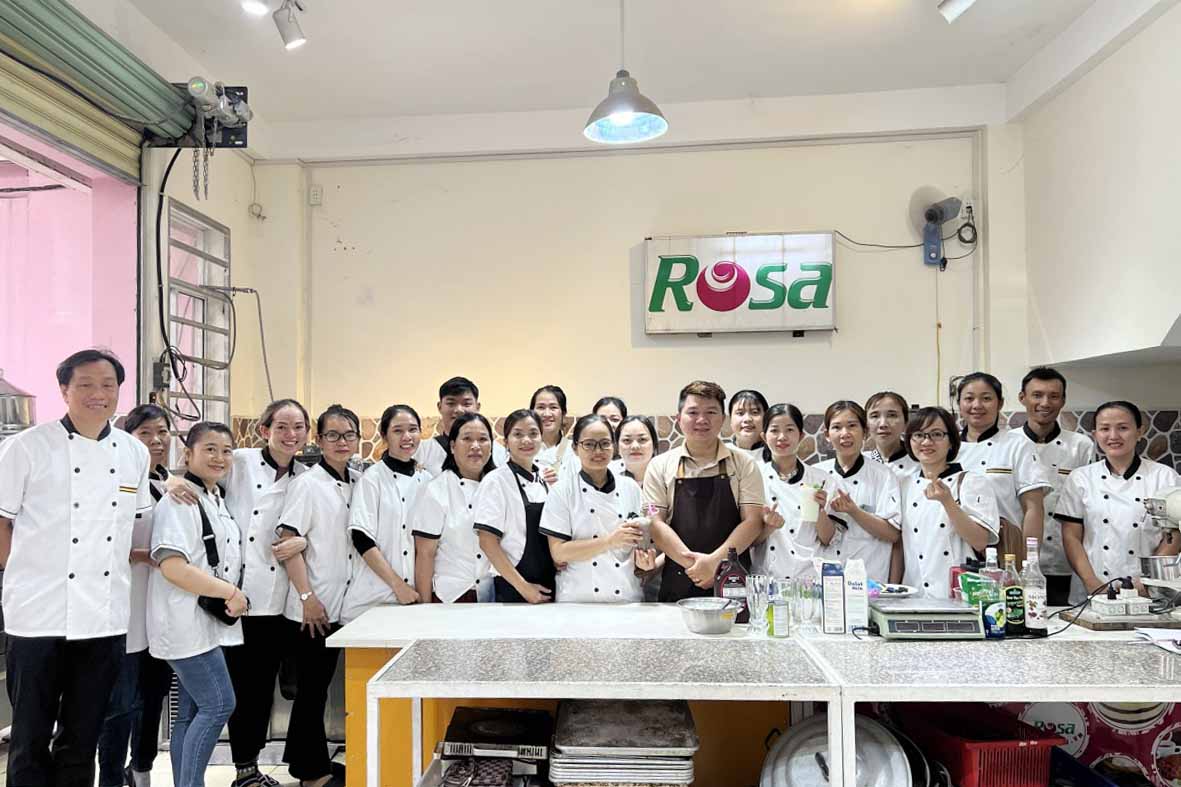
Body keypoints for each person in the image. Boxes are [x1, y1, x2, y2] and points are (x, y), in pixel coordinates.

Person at [0, 349, 151, 787]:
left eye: (108, 385)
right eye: (85, 384)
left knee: (83, 738)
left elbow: (131, 525)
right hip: (37, 616)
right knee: (30, 736)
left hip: (103, 617)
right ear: (64, 390)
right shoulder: (26, 447)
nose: (98, 394)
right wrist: (22, 573)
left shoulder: (133, 453)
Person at [147, 421, 247, 787]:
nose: (219, 457)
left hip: (201, 623)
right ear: (188, 454)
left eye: (226, 451)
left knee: (189, 714)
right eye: (210, 449)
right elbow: (173, 567)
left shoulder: (213, 496)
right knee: (219, 704)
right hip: (183, 623)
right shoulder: (180, 500)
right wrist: (230, 592)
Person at [219, 398, 311, 787]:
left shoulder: (307, 476)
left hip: (283, 598)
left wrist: (302, 540)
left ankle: (260, 766)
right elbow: (199, 480)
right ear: (264, 430)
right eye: (282, 427)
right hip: (240, 595)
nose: (291, 435)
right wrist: (175, 482)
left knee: (277, 687)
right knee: (247, 689)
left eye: (299, 427)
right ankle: (245, 769)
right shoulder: (239, 462)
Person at [276, 404, 362, 787]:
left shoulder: (358, 480)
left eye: (348, 435)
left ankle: (308, 762)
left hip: (344, 604)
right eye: (332, 435)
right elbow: (287, 542)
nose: (341, 442)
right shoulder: (308, 484)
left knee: (321, 688)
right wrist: (307, 597)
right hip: (314, 607)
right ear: (319, 440)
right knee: (312, 691)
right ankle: (311, 774)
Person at [98, 404, 176, 787]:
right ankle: (111, 777)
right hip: (124, 611)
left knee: (154, 696)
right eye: (145, 433)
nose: (156, 440)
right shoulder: (115, 482)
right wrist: (148, 556)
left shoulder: (172, 484)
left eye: (162, 432)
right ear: (128, 439)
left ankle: (141, 769)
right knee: (121, 704)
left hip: (162, 610)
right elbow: (100, 540)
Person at [643, 381, 765, 601]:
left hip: (732, 581)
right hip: (678, 580)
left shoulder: (744, 464)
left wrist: (715, 564)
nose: (702, 419)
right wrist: (696, 566)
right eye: (693, 412)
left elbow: (753, 522)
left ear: (723, 419)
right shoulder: (659, 466)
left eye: (711, 412)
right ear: (678, 418)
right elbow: (654, 521)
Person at [1056, 400, 1180, 605]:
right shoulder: (1080, 478)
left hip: (1149, 591)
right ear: (1095, 434)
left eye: (1123, 428)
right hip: (1091, 591)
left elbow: (1173, 537)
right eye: (1105, 429)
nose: (1113, 436)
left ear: (1139, 432)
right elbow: (1071, 537)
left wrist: (1148, 582)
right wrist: (1092, 583)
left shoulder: (1165, 477)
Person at [541, 414, 656, 602]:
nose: (598, 451)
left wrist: (645, 562)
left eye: (605, 443)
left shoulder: (631, 487)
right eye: (589, 444)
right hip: (577, 599)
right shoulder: (562, 491)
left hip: (627, 596)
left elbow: (645, 535)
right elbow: (559, 552)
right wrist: (610, 541)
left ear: (614, 446)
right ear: (575, 448)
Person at [341, 404, 433, 621]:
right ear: (384, 436)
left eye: (413, 429)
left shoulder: (427, 480)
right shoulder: (372, 479)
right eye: (398, 430)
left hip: (414, 597)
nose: (407, 437)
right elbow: (361, 538)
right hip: (373, 597)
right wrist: (397, 585)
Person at [1013, 367, 1095, 605]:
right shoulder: (1008, 443)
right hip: (1017, 561)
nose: (1045, 403)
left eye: (1053, 396)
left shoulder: (1081, 446)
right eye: (1037, 395)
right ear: (1022, 398)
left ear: (1063, 400)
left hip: (1064, 560)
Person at [899, 407, 999, 597]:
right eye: (918, 435)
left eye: (937, 434)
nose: (926, 442)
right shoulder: (905, 484)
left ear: (951, 441)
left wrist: (948, 502)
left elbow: (980, 541)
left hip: (959, 593)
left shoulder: (972, 482)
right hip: (914, 594)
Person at [956, 372, 1050, 555]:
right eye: (969, 398)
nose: (977, 405)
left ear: (1000, 403)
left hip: (1004, 552)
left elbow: (1033, 509)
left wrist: (1028, 560)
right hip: (955, 550)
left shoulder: (1017, 445)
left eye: (986, 398)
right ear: (959, 403)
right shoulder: (947, 447)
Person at [413, 413, 498, 603]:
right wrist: (424, 609)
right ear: (452, 446)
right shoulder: (436, 490)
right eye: (467, 439)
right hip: (451, 597)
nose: (475, 446)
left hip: (493, 593)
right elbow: (425, 554)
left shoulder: (499, 487)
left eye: (483, 439)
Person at [815, 401, 902, 584]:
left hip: (871, 579)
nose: (845, 433)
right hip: (827, 579)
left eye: (852, 426)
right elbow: (820, 538)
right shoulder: (816, 475)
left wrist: (854, 511)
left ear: (865, 432)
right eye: (837, 427)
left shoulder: (883, 475)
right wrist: (820, 510)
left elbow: (892, 534)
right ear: (827, 435)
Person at [475, 409, 555, 603]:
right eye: (518, 434)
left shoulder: (545, 478)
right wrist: (524, 588)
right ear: (506, 442)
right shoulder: (496, 481)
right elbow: (487, 542)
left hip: (550, 581)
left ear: (541, 438)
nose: (526, 440)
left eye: (533, 434)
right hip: (513, 585)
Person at [751, 404, 837, 583]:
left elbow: (828, 539)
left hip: (809, 579)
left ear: (801, 436)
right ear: (764, 436)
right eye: (774, 430)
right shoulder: (754, 477)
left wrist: (819, 511)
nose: (782, 437)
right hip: (768, 580)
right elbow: (749, 542)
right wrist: (769, 527)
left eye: (789, 429)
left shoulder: (821, 479)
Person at [611, 415, 663, 599]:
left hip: (662, 574)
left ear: (654, 445)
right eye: (627, 440)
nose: (634, 446)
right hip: (615, 577)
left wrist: (654, 566)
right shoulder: (607, 477)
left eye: (642, 440)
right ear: (617, 446)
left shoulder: (666, 477)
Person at [414, 377, 507, 476]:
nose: (459, 410)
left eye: (466, 404)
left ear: (477, 407)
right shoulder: (422, 451)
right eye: (451, 403)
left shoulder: (499, 453)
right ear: (440, 407)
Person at [864, 390, 919, 478]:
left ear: (906, 422)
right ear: (866, 424)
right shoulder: (860, 462)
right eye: (875, 416)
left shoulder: (920, 464)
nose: (883, 424)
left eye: (892, 415)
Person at [532, 385, 580, 481]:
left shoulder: (575, 450)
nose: (547, 414)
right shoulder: (523, 448)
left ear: (563, 413)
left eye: (553, 407)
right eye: (541, 407)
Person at [727, 389, 769, 457]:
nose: (747, 419)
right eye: (740, 413)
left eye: (754, 412)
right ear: (730, 419)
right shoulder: (720, 452)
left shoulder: (778, 453)